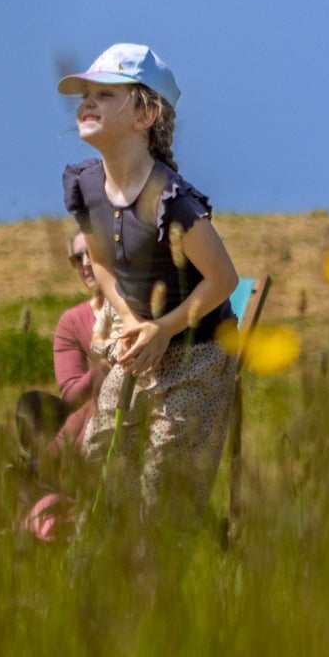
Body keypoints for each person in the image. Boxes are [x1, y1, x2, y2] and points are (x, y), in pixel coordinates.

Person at [58, 43, 240, 514]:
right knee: (101, 462)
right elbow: (100, 261)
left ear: (146, 115)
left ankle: (161, 578)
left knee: (165, 485)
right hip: (138, 339)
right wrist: (130, 320)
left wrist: (164, 329)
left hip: (197, 353)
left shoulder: (172, 201)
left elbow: (222, 279)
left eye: (106, 94)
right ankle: (99, 574)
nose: (87, 103)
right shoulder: (84, 184)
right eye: (86, 94)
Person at [15, 232, 107, 459]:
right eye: (77, 258)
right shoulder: (72, 321)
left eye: (91, 253)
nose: (85, 264)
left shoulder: (137, 308)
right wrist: (101, 371)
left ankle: (42, 471)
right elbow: (70, 392)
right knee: (31, 404)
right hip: (87, 409)